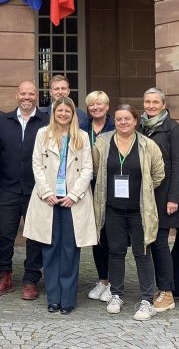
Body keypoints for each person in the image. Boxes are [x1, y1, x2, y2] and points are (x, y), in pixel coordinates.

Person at [91, 105, 165, 321]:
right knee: (115, 253)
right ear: (114, 121)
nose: (123, 122)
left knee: (142, 254)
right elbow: (97, 170)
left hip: (139, 210)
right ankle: (116, 294)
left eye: (127, 119)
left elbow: (158, 174)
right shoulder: (103, 143)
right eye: (119, 119)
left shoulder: (147, 144)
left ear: (135, 121)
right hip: (113, 209)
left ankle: (146, 300)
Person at [24, 97, 96, 315]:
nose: (63, 114)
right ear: (53, 113)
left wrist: (74, 195)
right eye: (59, 110)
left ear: (73, 114)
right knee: (50, 248)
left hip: (73, 200)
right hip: (49, 199)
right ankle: (53, 297)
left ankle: (68, 298)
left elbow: (87, 169)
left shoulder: (81, 136)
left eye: (67, 111)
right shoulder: (42, 134)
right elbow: (36, 163)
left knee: (70, 249)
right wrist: (46, 192)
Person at [0, 81, 47, 300]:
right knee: (4, 235)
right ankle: (4, 275)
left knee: (34, 236)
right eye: (23, 93)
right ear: (16, 95)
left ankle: (31, 279)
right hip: (7, 188)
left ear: (36, 96)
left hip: (36, 190)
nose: (27, 97)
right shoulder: (2, 122)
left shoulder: (46, 122)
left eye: (31, 94)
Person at [139, 87, 179, 312]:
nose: (150, 106)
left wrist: (174, 198)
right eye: (147, 102)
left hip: (165, 196)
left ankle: (167, 292)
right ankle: (157, 288)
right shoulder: (140, 127)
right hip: (144, 196)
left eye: (155, 102)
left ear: (163, 104)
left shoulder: (173, 130)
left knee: (159, 243)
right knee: (149, 243)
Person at [81, 90, 114, 303]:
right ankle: (102, 279)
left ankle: (113, 281)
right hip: (88, 187)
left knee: (112, 235)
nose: (96, 107)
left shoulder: (116, 126)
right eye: (92, 104)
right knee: (97, 237)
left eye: (100, 104)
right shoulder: (82, 128)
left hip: (111, 187)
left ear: (107, 106)